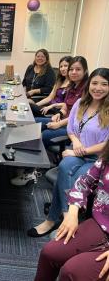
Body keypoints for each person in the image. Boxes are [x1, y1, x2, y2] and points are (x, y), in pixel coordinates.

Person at [27, 67, 109, 238]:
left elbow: (105, 145)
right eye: (94, 83)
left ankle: (52, 220)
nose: (98, 88)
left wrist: (78, 152)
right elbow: (71, 129)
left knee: (71, 175)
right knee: (65, 166)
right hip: (78, 151)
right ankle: (67, 218)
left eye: (104, 84)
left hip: (99, 159)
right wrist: (76, 142)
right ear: (89, 84)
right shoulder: (81, 103)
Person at [35, 140, 109, 281]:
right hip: (101, 225)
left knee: (72, 272)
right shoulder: (106, 157)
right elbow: (84, 182)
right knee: (49, 253)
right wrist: (73, 211)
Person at [37, 56, 89, 148]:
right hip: (62, 120)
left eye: (78, 69)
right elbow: (65, 106)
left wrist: (58, 124)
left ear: (85, 71)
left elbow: (79, 117)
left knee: (43, 135)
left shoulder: (86, 90)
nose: (73, 72)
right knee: (35, 122)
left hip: (72, 127)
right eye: (71, 69)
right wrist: (59, 114)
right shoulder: (72, 86)